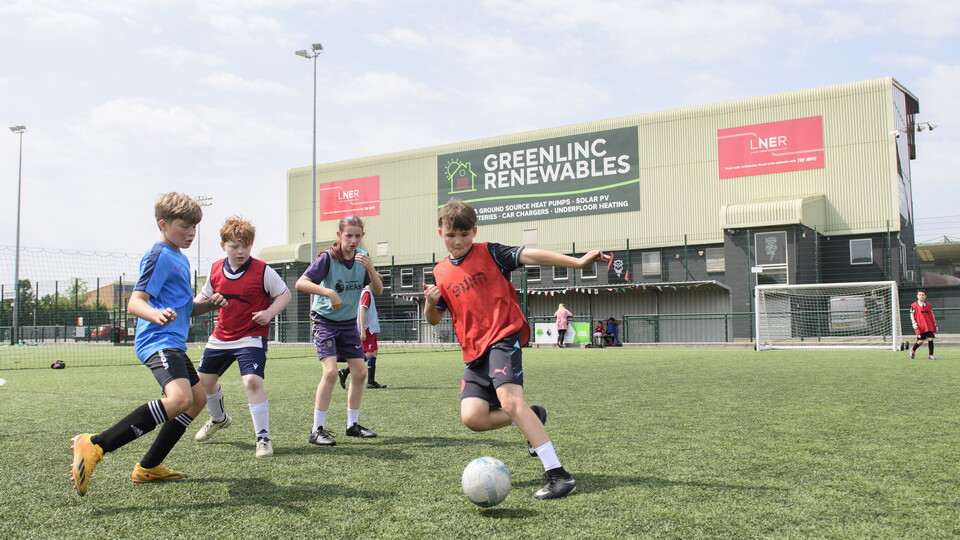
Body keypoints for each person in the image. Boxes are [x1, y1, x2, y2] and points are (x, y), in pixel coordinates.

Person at [422, 199, 609, 500]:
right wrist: (430, 302)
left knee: (509, 401)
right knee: (473, 418)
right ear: (440, 233)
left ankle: (559, 475)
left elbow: (530, 254)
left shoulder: (491, 252)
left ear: (474, 232)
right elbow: (434, 318)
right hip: (474, 352)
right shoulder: (440, 272)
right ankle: (532, 415)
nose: (458, 241)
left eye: (464, 235)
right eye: (450, 235)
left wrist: (577, 263)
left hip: (503, 337)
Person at [70, 192, 227, 496]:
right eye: (184, 226)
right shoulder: (159, 255)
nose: (191, 232)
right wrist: (155, 314)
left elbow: (185, 307)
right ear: (163, 224)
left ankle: (149, 467)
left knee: (195, 402)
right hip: (157, 340)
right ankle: (96, 444)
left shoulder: (179, 258)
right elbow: (135, 302)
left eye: (195, 227)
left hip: (172, 343)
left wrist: (208, 305)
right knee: (180, 399)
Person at [192, 217, 292, 458]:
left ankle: (263, 438)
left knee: (252, 382)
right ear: (223, 246)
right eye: (234, 246)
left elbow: (284, 294)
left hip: (251, 336)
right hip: (221, 337)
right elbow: (201, 299)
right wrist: (204, 304)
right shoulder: (215, 269)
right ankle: (218, 419)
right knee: (202, 383)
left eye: (245, 245)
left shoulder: (263, 270)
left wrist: (269, 313)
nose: (240, 251)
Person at [295, 215, 383, 446]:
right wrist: (329, 293)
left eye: (357, 236)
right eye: (348, 236)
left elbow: (379, 289)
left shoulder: (363, 260)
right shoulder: (327, 258)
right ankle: (316, 430)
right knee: (331, 373)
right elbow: (301, 283)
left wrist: (371, 269)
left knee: (361, 372)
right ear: (339, 236)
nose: (353, 240)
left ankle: (352, 425)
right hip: (325, 322)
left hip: (347, 324)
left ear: (362, 236)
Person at [338, 285, 387, 390]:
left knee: (374, 352)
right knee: (369, 353)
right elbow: (362, 310)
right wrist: (363, 331)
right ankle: (345, 371)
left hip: (372, 329)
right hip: (368, 328)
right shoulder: (366, 293)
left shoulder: (366, 293)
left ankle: (371, 381)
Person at [909, 289, 937, 360]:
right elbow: (912, 314)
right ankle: (913, 350)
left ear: (925, 296)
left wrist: (935, 324)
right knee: (920, 341)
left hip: (929, 325)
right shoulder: (914, 305)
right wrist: (913, 322)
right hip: (920, 326)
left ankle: (931, 355)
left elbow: (932, 314)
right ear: (917, 296)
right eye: (920, 295)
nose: (921, 296)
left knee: (930, 339)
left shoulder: (928, 305)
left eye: (923, 295)